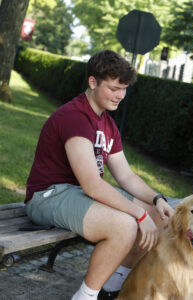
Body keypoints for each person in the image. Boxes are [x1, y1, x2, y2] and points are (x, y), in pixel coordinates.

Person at [25, 50, 174, 300]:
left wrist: (158, 199)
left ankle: (111, 288)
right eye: (114, 88)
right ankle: (86, 296)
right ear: (92, 82)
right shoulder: (75, 117)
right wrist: (137, 214)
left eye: (124, 89)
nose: (120, 96)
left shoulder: (107, 124)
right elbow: (93, 184)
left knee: (156, 215)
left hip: (78, 194)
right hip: (48, 196)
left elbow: (126, 176)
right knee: (124, 226)